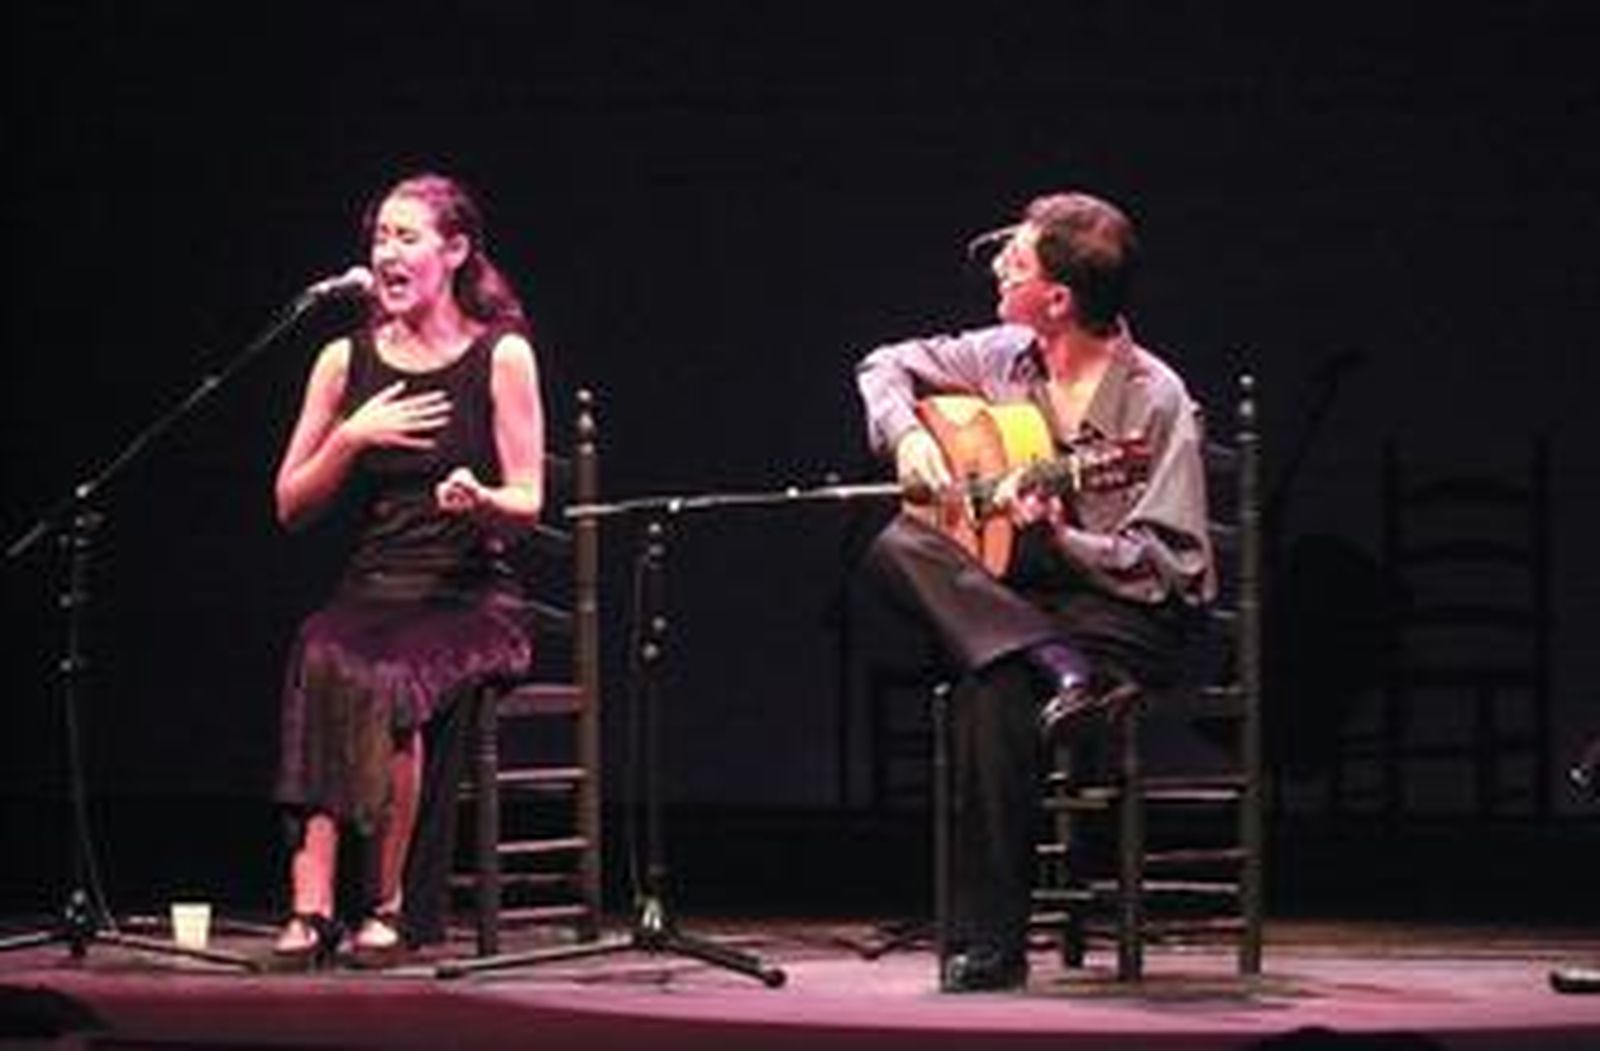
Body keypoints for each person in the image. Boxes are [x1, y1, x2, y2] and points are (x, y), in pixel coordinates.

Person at [856, 191, 1215, 991]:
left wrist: (1058, 536)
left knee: (990, 687)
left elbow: (1174, 568)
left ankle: (991, 944)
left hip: (1122, 614)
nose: (996, 268)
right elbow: (883, 363)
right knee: (893, 545)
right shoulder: (1001, 355)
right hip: (1030, 615)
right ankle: (1053, 662)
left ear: (1057, 298)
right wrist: (909, 434)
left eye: (1013, 262)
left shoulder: (1156, 399)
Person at [271, 172, 544, 965]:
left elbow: (527, 501)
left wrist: (482, 497)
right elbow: (290, 503)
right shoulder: (341, 360)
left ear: (454, 251)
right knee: (321, 647)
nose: (386, 252)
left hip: (471, 596)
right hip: (372, 586)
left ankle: (385, 904)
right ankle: (313, 904)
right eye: (379, 237)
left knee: (385, 670)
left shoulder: (502, 355)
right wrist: (352, 436)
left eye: (406, 236)